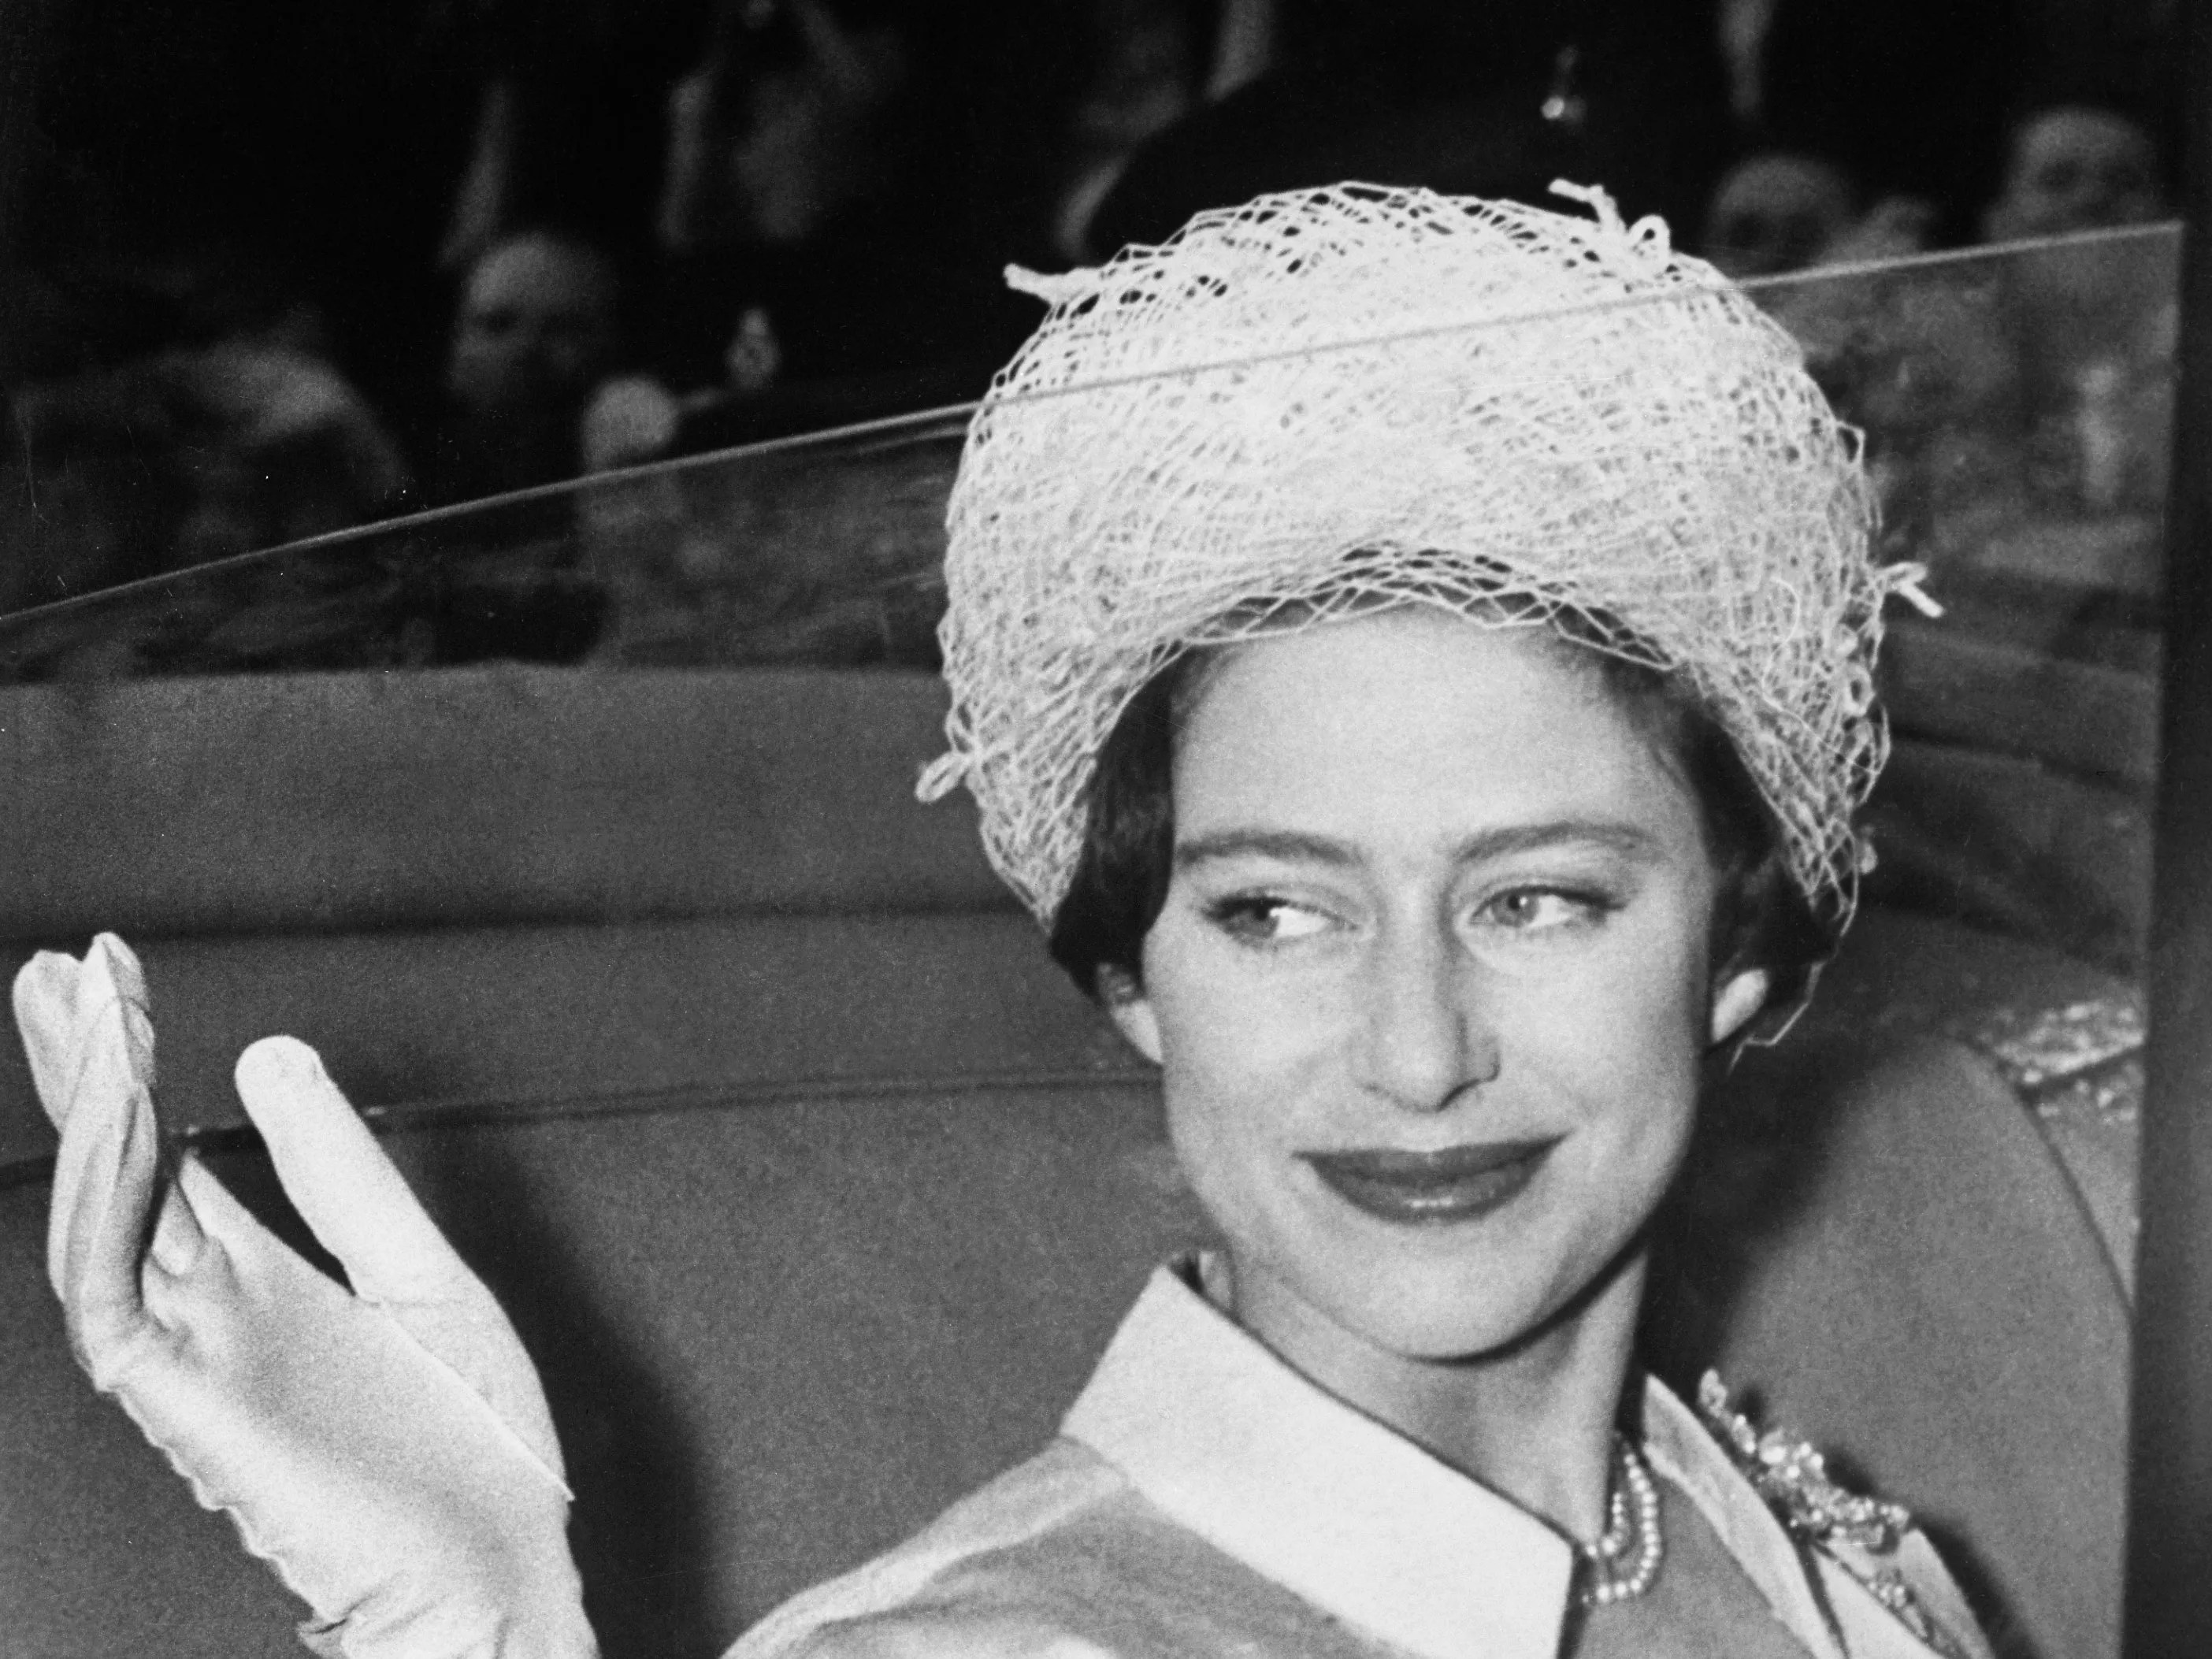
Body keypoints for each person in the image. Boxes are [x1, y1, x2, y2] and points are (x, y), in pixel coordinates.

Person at [16, 182, 1985, 1658]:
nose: (1416, 1052)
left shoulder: (1799, 1550)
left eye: (1537, 899)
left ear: (1738, 955)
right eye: (1275, 912)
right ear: (1135, 980)